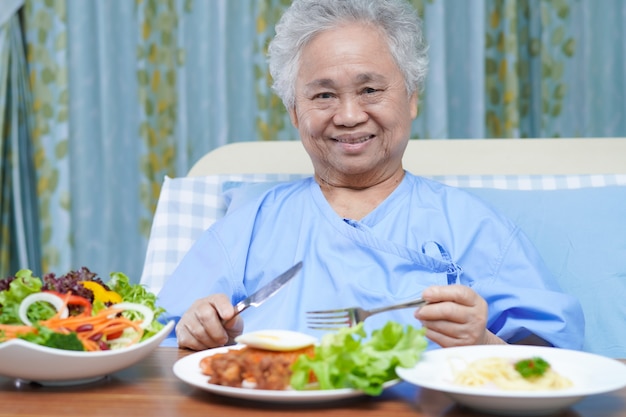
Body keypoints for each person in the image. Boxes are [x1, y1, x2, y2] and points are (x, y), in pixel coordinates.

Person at [157, 0, 584, 351]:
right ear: (294, 112)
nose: (348, 115)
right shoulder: (247, 229)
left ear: (412, 98)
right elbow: (158, 342)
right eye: (323, 95)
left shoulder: (474, 226)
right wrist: (194, 334)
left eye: (370, 90)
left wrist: (485, 344)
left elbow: (555, 363)